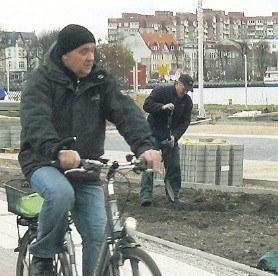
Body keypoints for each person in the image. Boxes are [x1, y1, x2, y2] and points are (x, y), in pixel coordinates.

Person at [18, 24, 162, 276]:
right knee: (62, 194)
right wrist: (58, 149)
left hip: (85, 167)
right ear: (65, 54)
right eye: (84, 51)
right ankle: (43, 256)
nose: (91, 58)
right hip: (44, 161)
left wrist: (146, 146)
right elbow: (36, 120)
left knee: (99, 233)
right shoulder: (40, 81)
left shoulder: (100, 81)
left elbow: (125, 113)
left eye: (93, 51)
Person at [139, 73, 193, 206]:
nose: (185, 91)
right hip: (153, 134)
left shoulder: (187, 102)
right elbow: (147, 105)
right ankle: (145, 197)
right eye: (183, 88)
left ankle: (174, 195)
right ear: (177, 83)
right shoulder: (161, 91)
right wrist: (161, 107)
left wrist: (175, 136)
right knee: (149, 166)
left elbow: (185, 122)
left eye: (187, 90)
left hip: (170, 138)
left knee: (174, 167)